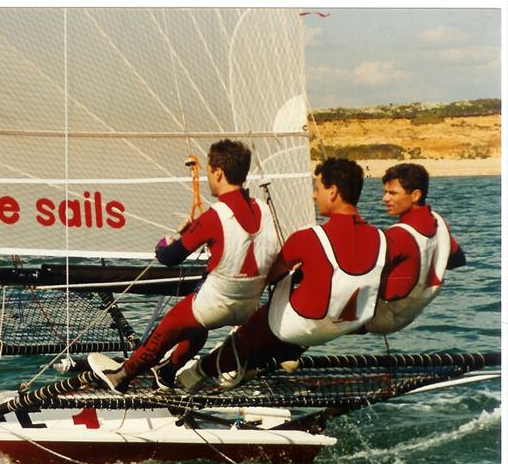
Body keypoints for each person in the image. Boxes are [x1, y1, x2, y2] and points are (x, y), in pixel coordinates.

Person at [177, 157, 386, 392]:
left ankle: (199, 371)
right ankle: (277, 356)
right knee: (303, 290)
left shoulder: (307, 238)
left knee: (260, 319)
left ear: (333, 192)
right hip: (345, 325)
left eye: (317, 189)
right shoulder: (381, 238)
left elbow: (266, 276)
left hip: (303, 325)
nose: (314, 196)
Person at [89, 139, 280, 393]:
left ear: (218, 173)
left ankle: (121, 376)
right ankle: (167, 373)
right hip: (247, 308)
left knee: (165, 332)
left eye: (209, 172)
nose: (208, 178)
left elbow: (169, 257)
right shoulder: (266, 210)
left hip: (215, 302)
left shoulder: (215, 215)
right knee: (196, 331)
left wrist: (167, 241)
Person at [365, 163, 465, 334]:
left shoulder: (398, 235)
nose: (385, 199)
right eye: (385, 192)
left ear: (415, 195)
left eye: (392, 193)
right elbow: (457, 260)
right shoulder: (437, 221)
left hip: (380, 317)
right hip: (409, 313)